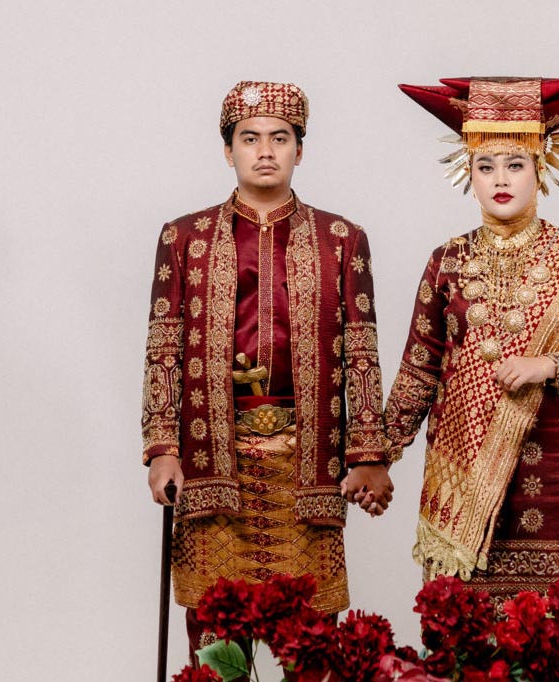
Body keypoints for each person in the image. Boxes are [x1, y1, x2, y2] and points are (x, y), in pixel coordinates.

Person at [382, 77, 559, 681]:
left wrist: (552, 365)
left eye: (516, 164)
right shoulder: (446, 261)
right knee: (467, 653)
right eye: (486, 165)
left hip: (557, 489)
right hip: (462, 491)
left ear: (541, 168)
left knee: (557, 652)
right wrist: (375, 457)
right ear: (467, 172)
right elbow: (420, 370)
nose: (501, 178)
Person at [141, 80, 393, 655]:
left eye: (280, 138)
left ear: (300, 150)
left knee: (312, 643)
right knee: (215, 642)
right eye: (249, 138)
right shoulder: (185, 238)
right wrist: (162, 450)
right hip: (212, 455)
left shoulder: (341, 239)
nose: (264, 151)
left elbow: (362, 350)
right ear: (227, 149)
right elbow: (163, 347)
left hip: (307, 458)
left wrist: (368, 453)